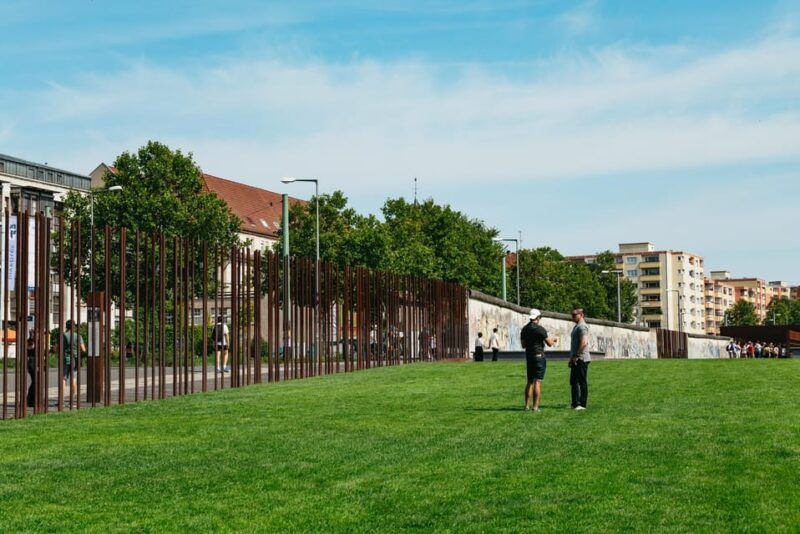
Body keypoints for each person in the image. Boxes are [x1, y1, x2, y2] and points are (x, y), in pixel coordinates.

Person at [520, 309, 558, 411]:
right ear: (537, 318)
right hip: (539, 356)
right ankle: (535, 407)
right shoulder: (540, 329)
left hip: (529, 356)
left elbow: (523, 345)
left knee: (529, 382)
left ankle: (527, 406)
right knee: (537, 382)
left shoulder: (524, 329)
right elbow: (549, 344)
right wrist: (553, 339)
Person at [569, 308, 591, 410]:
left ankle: (581, 404)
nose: (572, 317)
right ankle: (575, 403)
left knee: (581, 381)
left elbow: (584, 343)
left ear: (581, 315)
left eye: (574, 315)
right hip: (576, 358)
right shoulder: (577, 326)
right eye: (572, 315)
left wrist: (576, 356)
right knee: (573, 381)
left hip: (581, 358)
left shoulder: (582, 326)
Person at [62, 319, 85, 403]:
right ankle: (73, 400)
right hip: (74, 359)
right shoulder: (78, 336)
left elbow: (56, 348)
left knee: (63, 379)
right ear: (74, 326)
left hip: (64, 359)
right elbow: (83, 349)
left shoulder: (63, 335)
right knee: (73, 379)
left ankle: (62, 400)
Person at [26, 330, 37, 408]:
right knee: (35, 382)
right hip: (32, 363)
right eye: (31, 333)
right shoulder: (30, 342)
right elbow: (30, 349)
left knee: (35, 382)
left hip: (34, 362)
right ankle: (30, 400)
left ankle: (31, 400)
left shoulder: (35, 341)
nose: (32, 334)